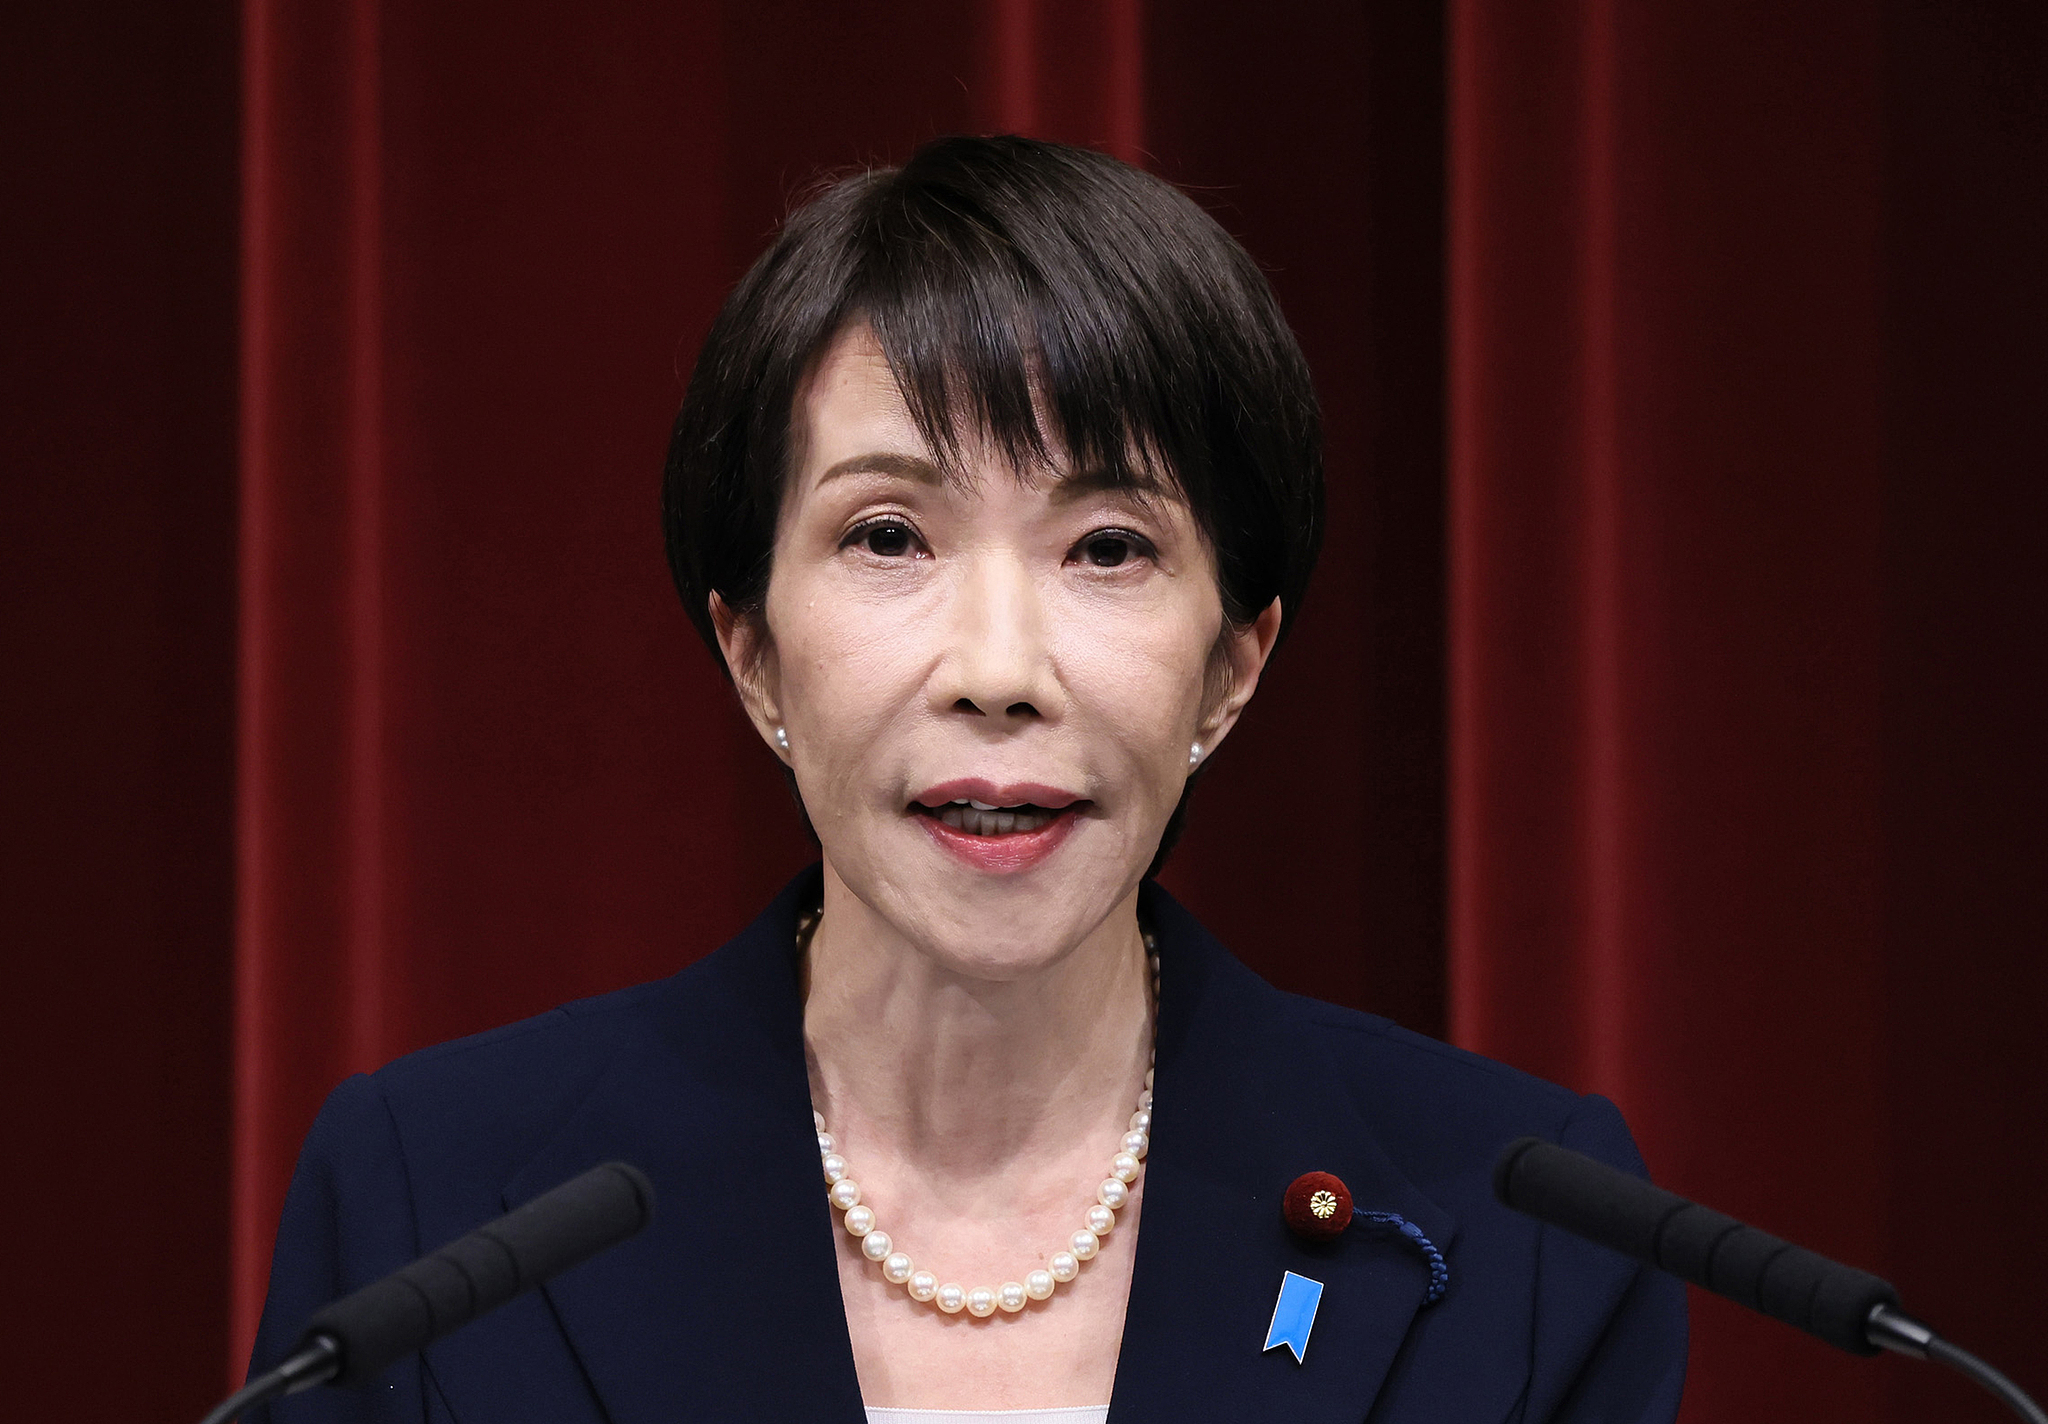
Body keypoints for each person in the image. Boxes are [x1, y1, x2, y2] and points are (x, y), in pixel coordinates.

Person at [248, 134, 1685, 1423]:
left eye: (1108, 546)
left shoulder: (1524, 1229)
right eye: (888, 535)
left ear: (1232, 671)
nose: (998, 668)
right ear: (753, 658)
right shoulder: (432, 1201)